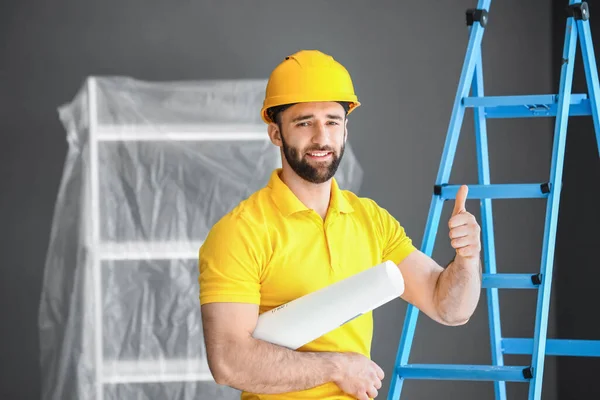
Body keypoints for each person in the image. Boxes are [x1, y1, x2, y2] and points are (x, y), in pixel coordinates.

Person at [198, 49, 482, 400]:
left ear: (345, 129)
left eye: (332, 121)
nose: (321, 137)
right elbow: (228, 362)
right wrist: (337, 367)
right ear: (275, 133)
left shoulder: (371, 220)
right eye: (304, 122)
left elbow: (449, 308)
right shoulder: (241, 232)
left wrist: (468, 259)